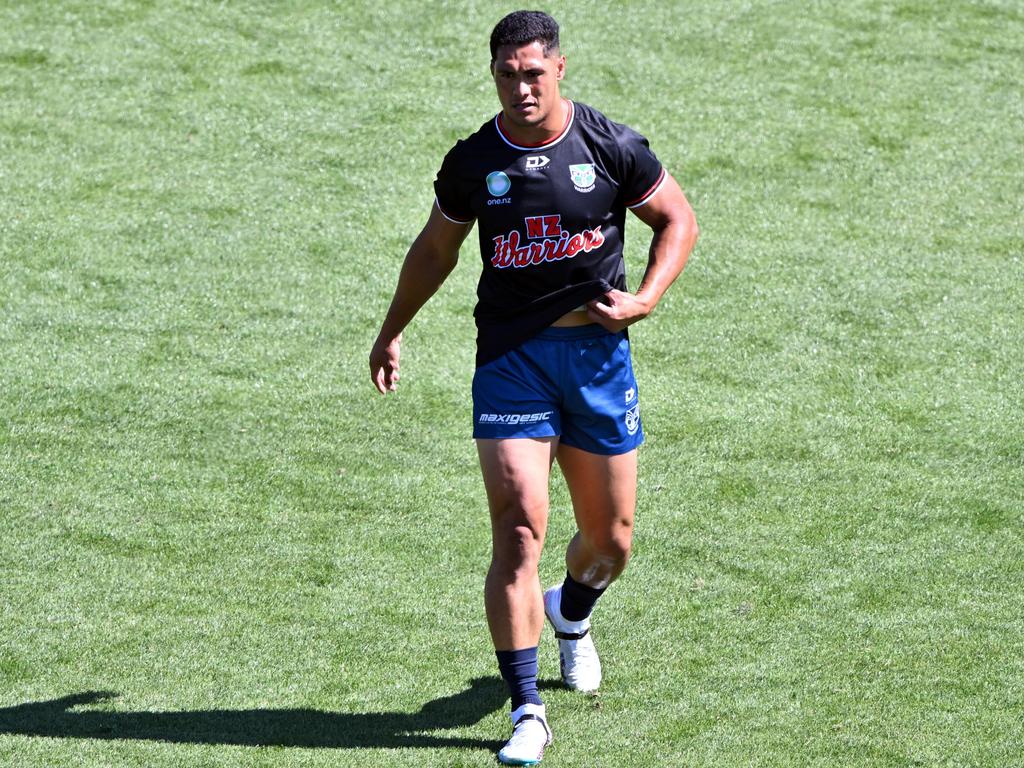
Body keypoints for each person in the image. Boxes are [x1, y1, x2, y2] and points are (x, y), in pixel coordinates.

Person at [369, 10, 698, 765]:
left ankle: (571, 614)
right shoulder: (474, 160)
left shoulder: (609, 146)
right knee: (519, 527)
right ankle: (526, 710)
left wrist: (646, 298)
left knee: (610, 543)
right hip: (511, 360)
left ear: (559, 70)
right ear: (494, 75)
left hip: (596, 363)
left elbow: (676, 219)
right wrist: (392, 330)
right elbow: (436, 249)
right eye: (509, 74)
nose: (523, 87)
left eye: (534, 73)